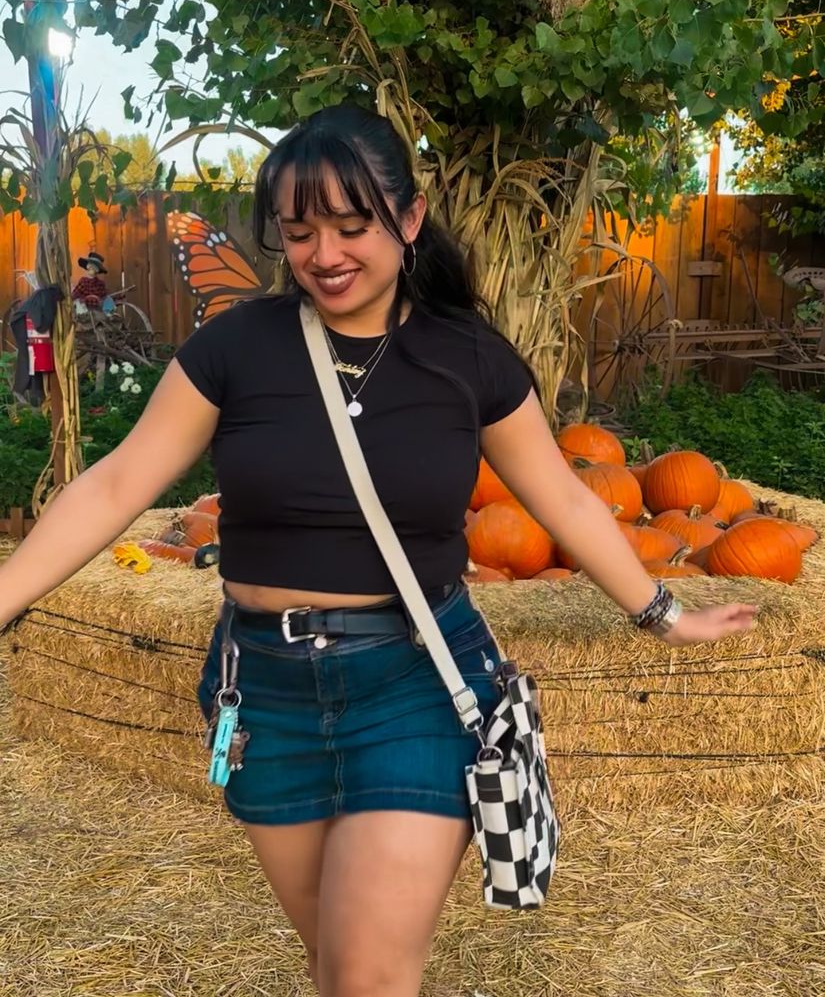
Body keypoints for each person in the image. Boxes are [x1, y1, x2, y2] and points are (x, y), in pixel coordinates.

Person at [0, 103, 757, 996]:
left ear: (408, 216)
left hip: (414, 681)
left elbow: (559, 496)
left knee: (365, 976)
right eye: (299, 230)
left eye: (352, 226)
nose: (324, 254)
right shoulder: (234, 349)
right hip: (263, 693)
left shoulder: (466, 357)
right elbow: (117, 486)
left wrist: (664, 613)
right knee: (331, 962)